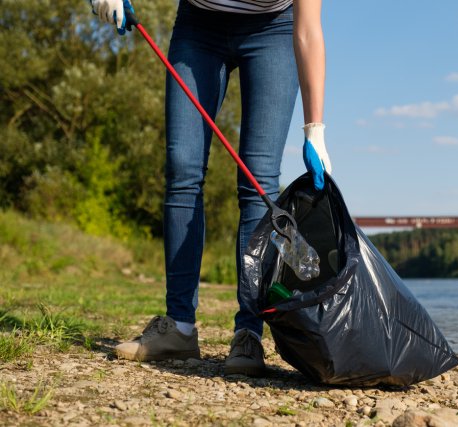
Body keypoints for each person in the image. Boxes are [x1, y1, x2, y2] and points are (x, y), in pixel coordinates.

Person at [90, 0, 331, 377]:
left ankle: (248, 332)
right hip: (198, 26)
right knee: (183, 169)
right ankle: (179, 325)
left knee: (257, 178)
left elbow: (308, 30)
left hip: (273, 30)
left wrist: (314, 130)